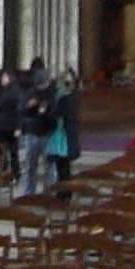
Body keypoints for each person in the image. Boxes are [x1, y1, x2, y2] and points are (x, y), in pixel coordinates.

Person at [20, 68, 56, 195]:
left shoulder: (53, 93)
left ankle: (48, 192)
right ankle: (29, 192)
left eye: (43, 83)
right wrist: (29, 106)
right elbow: (21, 110)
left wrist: (46, 110)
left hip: (48, 133)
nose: (41, 86)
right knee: (30, 166)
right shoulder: (30, 92)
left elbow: (56, 112)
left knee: (49, 166)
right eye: (39, 84)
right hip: (32, 132)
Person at [46, 68, 81, 197]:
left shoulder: (65, 98)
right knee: (63, 167)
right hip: (63, 134)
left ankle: (64, 193)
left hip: (63, 135)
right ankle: (64, 192)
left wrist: (47, 112)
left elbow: (57, 114)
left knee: (63, 167)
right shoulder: (70, 97)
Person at [0, 70, 22, 182]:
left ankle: (15, 173)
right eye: (2, 78)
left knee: (13, 151)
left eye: (5, 78)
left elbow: (19, 111)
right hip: (1, 124)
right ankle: (3, 171)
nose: (2, 80)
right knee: (1, 150)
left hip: (12, 124)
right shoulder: (1, 91)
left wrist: (19, 127)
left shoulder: (16, 91)